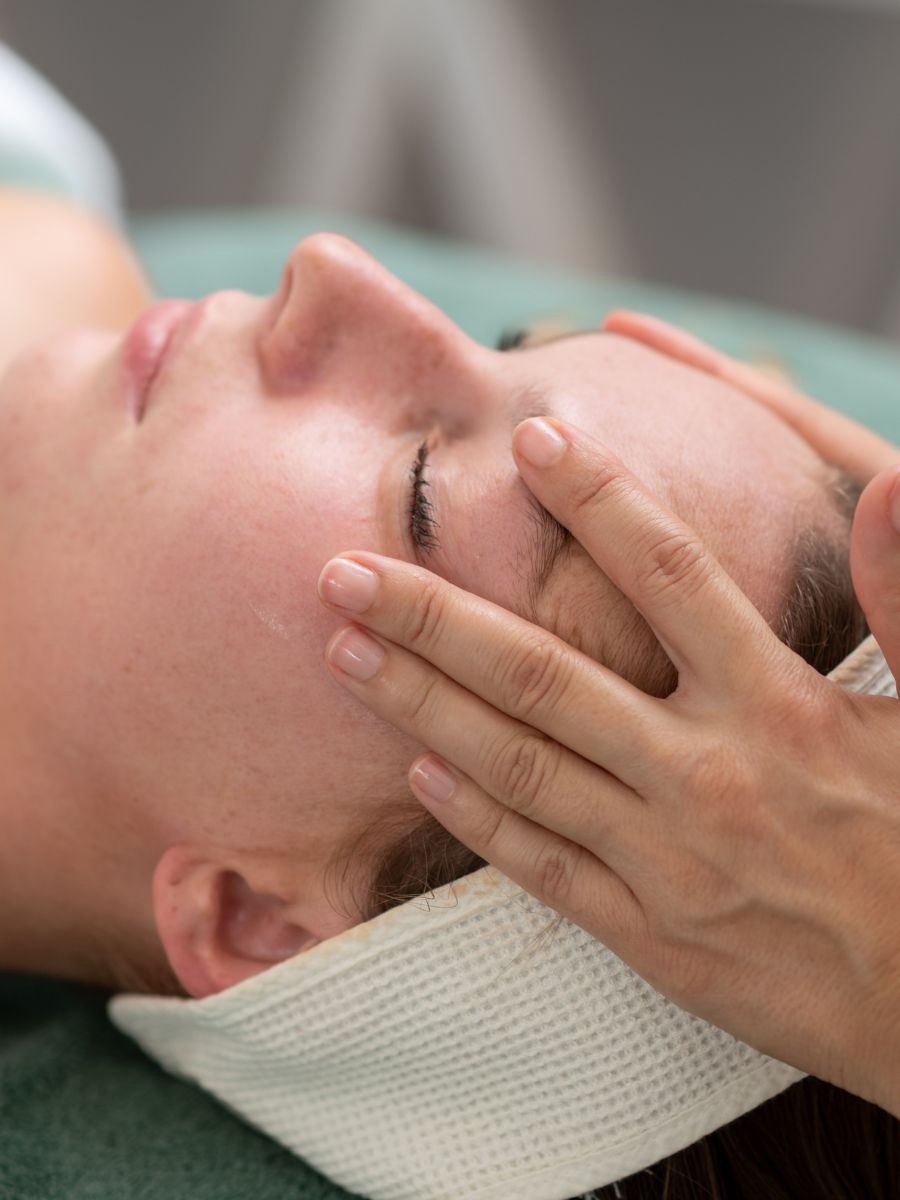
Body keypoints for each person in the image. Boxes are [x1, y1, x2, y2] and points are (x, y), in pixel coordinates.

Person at [1, 183, 895, 1196]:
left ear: (256, 921)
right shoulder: (48, 267)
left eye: (423, 493)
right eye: (509, 342)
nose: (333, 271)